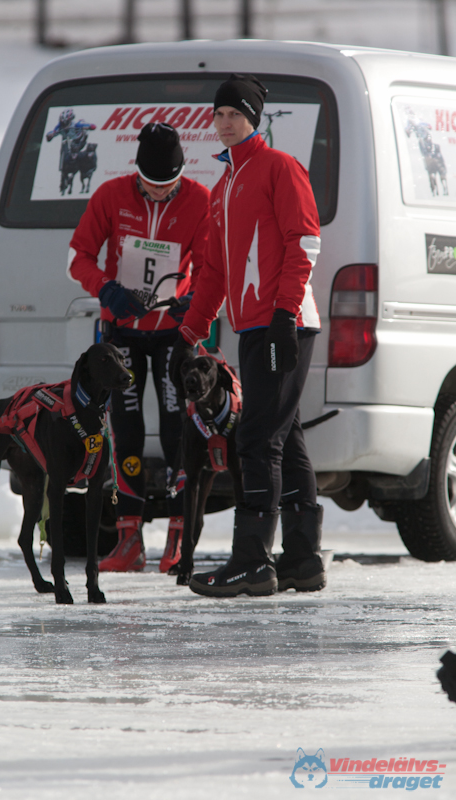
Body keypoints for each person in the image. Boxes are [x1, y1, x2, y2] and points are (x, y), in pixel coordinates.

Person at [170, 74, 325, 597]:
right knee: (285, 434)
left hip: (286, 322)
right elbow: (212, 271)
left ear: (254, 118)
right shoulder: (222, 188)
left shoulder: (279, 168)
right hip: (255, 325)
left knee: (256, 437)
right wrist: (189, 331)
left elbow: (303, 240)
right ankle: (302, 559)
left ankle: (252, 560)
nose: (225, 123)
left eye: (235, 114)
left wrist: (284, 314)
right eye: (218, 115)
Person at [68, 122, 210, 572]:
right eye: (150, 184)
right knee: (125, 430)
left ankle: (178, 538)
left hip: (172, 332)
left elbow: (211, 266)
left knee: (175, 429)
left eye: (168, 185)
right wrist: (106, 289)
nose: (158, 193)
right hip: (123, 331)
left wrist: (193, 298)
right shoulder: (111, 195)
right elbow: (80, 259)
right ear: (136, 172)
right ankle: (128, 539)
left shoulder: (200, 201)